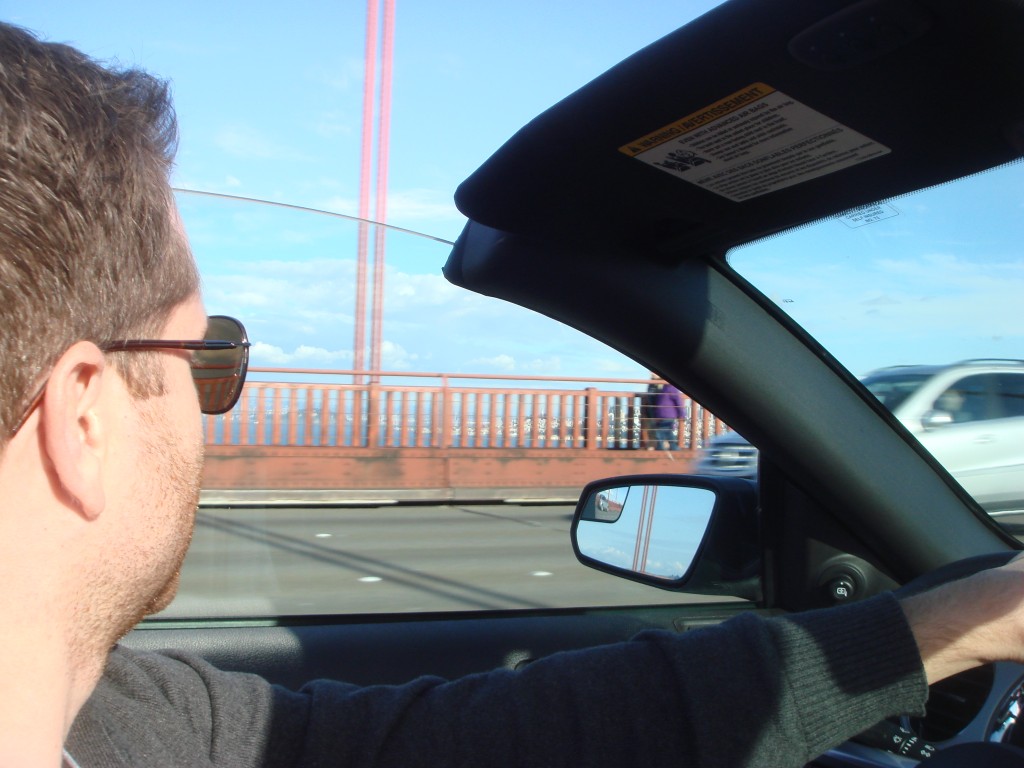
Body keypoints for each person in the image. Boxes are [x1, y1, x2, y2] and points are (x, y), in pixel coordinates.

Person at [4, 21, 1024, 768]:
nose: (209, 402)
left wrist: (966, 622)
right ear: (85, 418)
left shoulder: (116, 719)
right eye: (208, 357)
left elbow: (485, 736)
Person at [650, 381, 686, 451]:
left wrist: (681, 414)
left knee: (660, 433)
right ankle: (673, 448)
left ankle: (661, 449)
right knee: (667, 432)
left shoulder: (671, 388)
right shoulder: (664, 388)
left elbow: (678, 401)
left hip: (668, 415)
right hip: (663, 415)